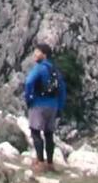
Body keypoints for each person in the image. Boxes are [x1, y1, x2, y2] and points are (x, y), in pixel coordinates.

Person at [23, 42, 67, 173]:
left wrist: (29, 99)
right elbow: (62, 90)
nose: (35, 54)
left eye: (37, 52)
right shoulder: (55, 70)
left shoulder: (39, 68)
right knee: (49, 135)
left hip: (38, 105)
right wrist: (59, 107)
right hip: (53, 106)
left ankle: (40, 162)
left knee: (35, 132)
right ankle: (50, 163)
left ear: (44, 54)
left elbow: (29, 82)